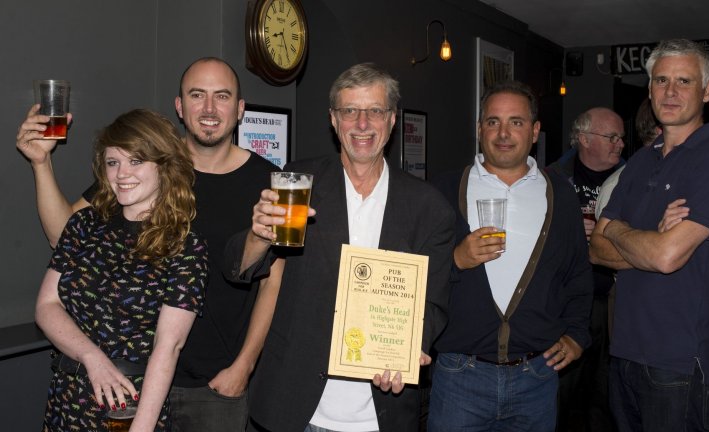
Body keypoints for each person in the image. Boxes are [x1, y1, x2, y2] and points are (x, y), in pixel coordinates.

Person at [16, 57, 281, 432]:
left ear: (239, 109)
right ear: (179, 106)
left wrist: (244, 366)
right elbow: (65, 239)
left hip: (210, 382)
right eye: (196, 95)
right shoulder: (136, 168)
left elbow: (274, 280)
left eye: (221, 96)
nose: (208, 108)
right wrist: (41, 164)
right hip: (109, 381)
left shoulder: (266, 180)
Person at [245, 63, 455, 432]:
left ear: (391, 120)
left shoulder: (429, 206)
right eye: (349, 111)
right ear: (333, 120)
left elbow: (433, 303)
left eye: (374, 111)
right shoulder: (297, 183)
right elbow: (246, 267)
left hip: (379, 413)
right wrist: (258, 237)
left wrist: (407, 349)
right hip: (295, 406)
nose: (362, 123)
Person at [589, 39, 709, 431]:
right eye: (661, 80)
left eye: (683, 81)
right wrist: (650, 238)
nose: (671, 92)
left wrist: (623, 231)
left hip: (678, 362)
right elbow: (595, 248)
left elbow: (664, 257)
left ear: (707, 91)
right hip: (623, 353)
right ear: (649, 90)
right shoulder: (641, 161)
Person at [427, 80, 593, 431]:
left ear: (534, 131)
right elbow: (414, 274)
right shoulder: (441, 191)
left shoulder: (559, 194)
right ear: (479, 129)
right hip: (459, 376)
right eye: (493, 122)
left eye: (515, 122)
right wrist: (456, 259)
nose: (503, 133)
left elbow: (578, 273)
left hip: (537, 377)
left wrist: (578, 335)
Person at [34, 109, 208, 431]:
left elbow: (168, 348)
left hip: (130, 406)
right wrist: (92, 358)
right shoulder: (84, 224)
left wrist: (143, 426)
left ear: (164, 165)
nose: (122, 173)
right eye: (113, 162)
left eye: (136, 161)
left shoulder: (184, 246)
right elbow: (46, 306)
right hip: (67, 395)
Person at [547, 107, 624, 432]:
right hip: (565, 304)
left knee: (606, 396)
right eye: (612, 137)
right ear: (583, 139)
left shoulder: (633, 178)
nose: (620, 144)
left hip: (616, 301)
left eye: (621, 137)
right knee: (561, 394)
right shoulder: (551, 179)